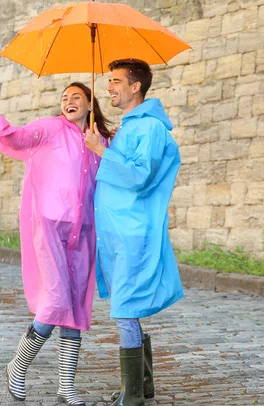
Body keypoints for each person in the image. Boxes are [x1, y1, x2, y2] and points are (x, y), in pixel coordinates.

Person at [0, 82, 111, 406]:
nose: (68, 102)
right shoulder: (50, 129)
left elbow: (113, 180)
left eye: (76, 98)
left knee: (76, 309)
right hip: (51, 228)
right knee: (56, 301)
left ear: (90, 104)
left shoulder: (100, 141)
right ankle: (18, 365)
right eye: (64, 98)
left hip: (82, 233)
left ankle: (66, 387)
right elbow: (15, 137)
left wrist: (105, 146)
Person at [85, 58, 183, 406]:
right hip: (117, 231)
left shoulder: (150, 129)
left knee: (125, 308)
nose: (109, 87)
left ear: (135, 86)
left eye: (115, 81)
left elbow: (139, 176)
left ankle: (134, 395)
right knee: (126, 305)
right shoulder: (131, 126)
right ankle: (141, 385)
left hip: (132, 231)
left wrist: (101, 152)